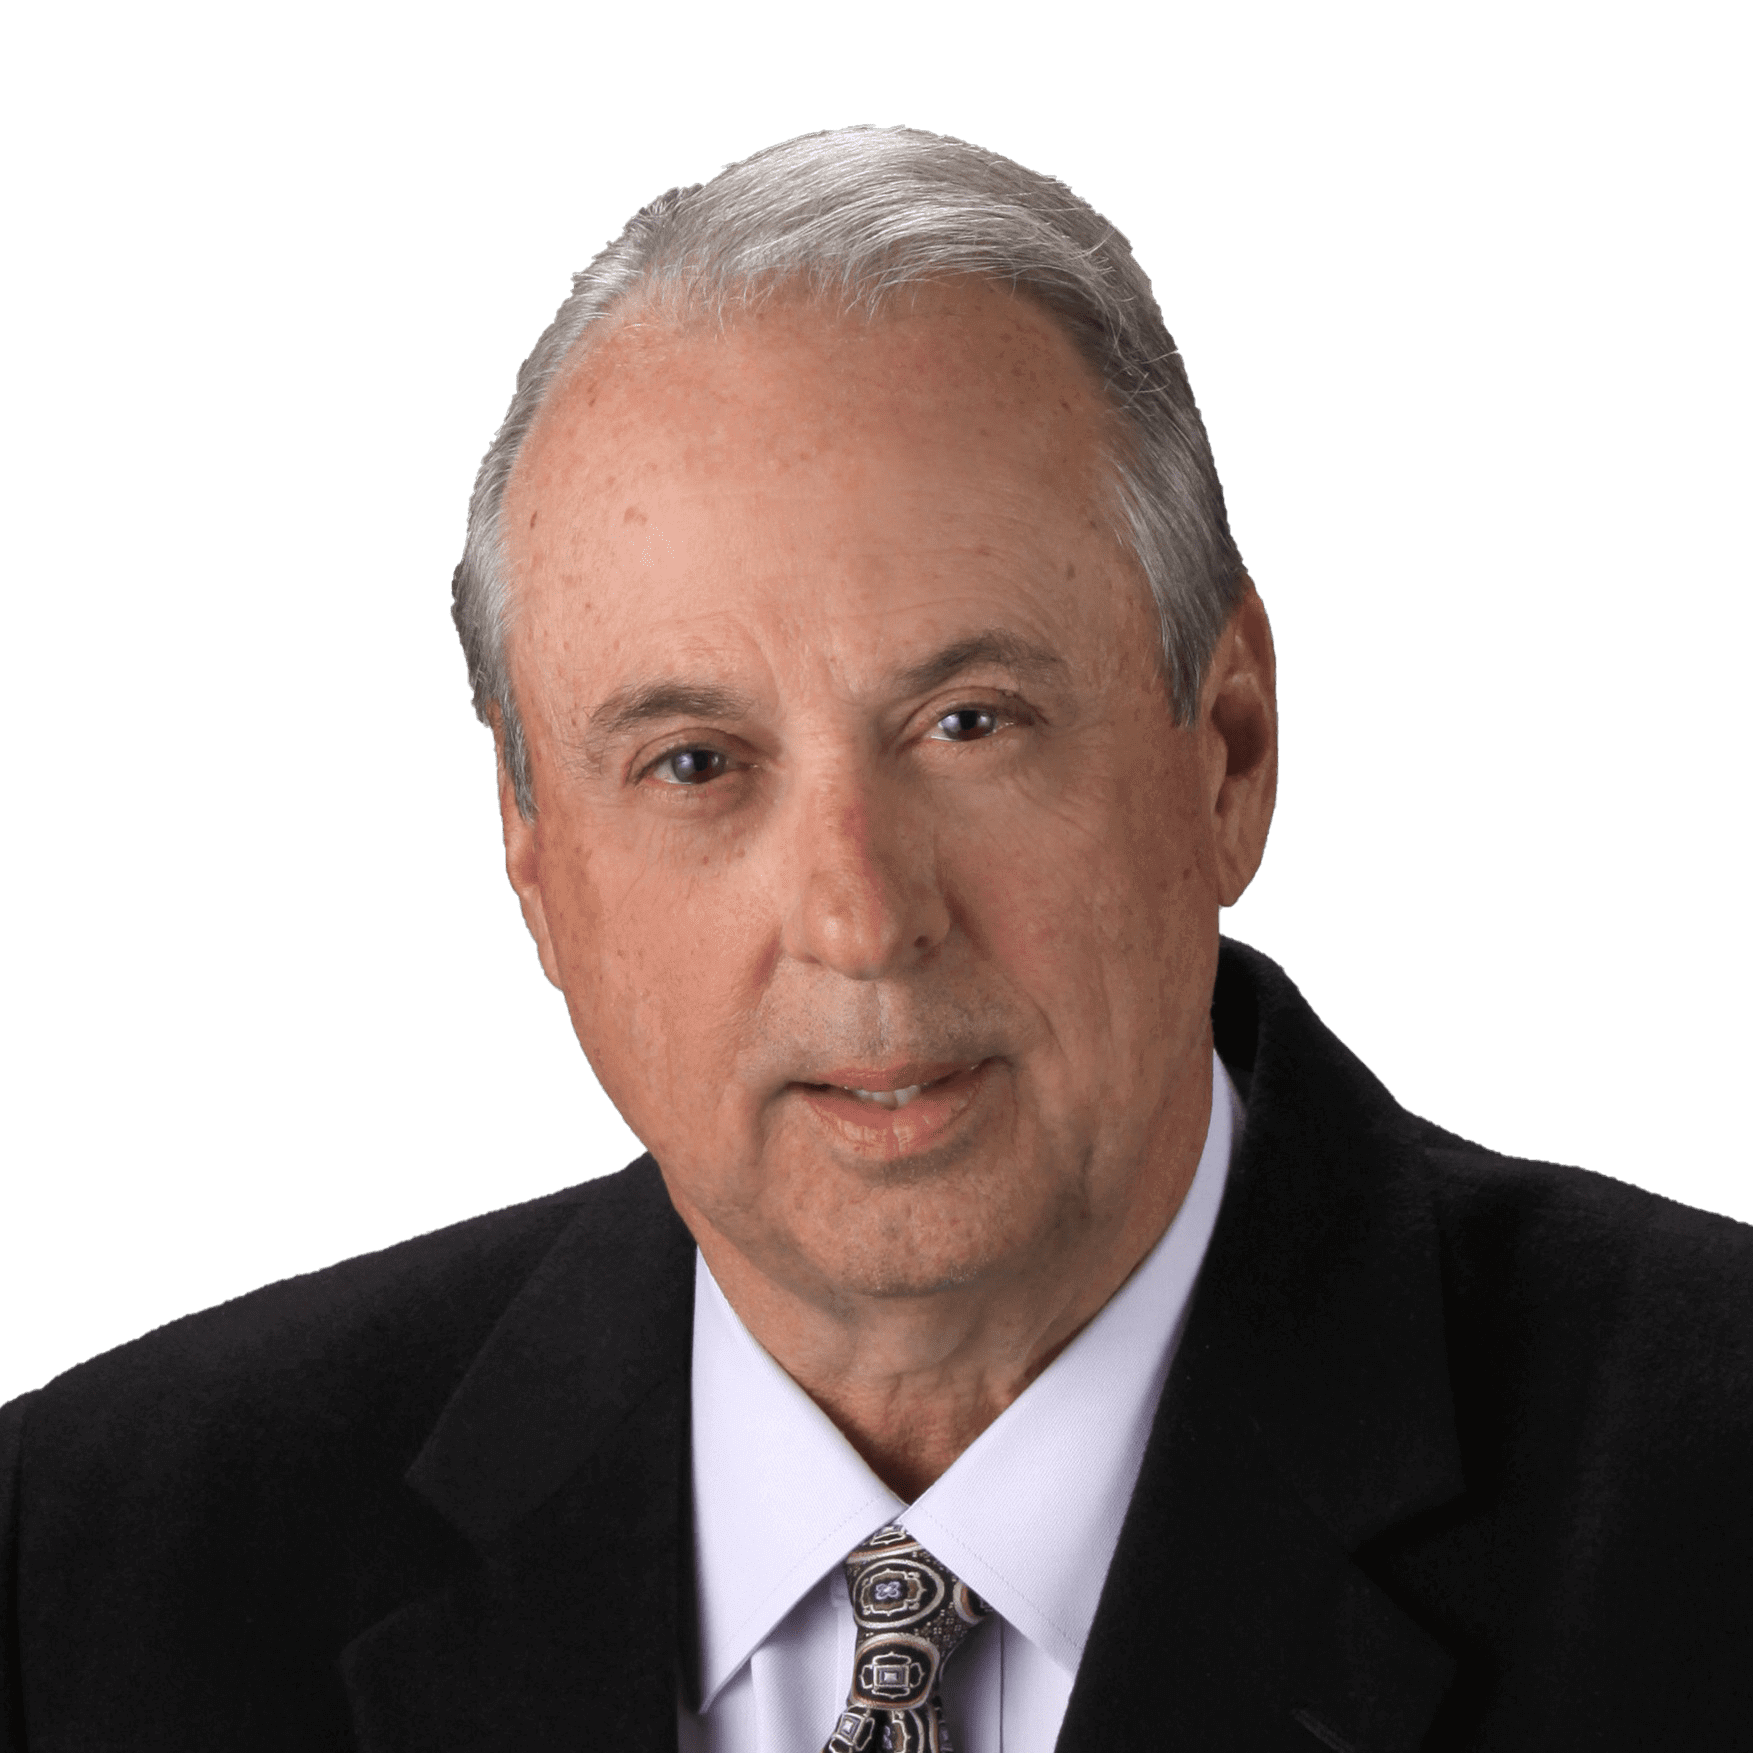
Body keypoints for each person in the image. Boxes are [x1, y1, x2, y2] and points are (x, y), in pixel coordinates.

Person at [2, 126, 1747, 1753]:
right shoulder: (92, 1546)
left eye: (969, 724)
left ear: (1228, 749)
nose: (859, 919)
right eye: (696, 764)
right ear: (535, 863)